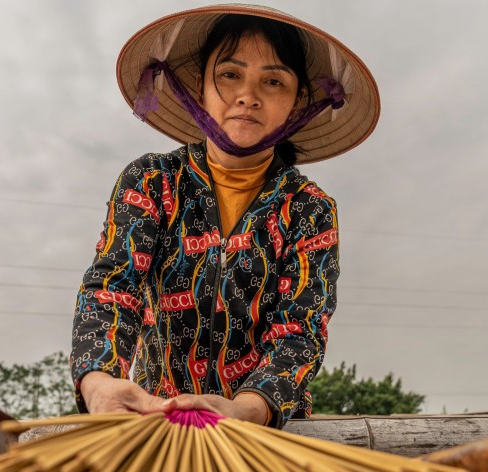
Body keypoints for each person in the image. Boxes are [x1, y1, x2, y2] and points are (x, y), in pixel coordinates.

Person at [70, 5, 379, 428]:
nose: (248, 96)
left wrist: (247, 408)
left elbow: (300, 330)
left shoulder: (309, 208)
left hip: (263, 432)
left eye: (273, 81)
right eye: (230, 74)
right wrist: (100, 384)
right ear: (200, 87)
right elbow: (112, 288)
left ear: (297, 102)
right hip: (158, 422)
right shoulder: (153, 181)